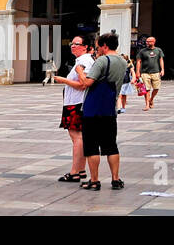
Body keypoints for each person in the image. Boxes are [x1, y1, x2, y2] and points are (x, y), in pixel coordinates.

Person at [71, 33, 128, 191]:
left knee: (92, 146)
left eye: (98, 47)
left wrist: (79, 71)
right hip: (110, 109)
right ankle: (115, 179)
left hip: (93, 109)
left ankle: (94, 180)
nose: (97, 50)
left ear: (105, 46)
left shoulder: (103, 60)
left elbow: (87, 82)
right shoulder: (123, 61)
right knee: (111, 146)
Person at [52, 35, 95, 183]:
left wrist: (62, 80)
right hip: (75, 102)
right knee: (77, 137)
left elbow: (83, 84)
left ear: (86, 47)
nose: (73, 46)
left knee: (77, 137)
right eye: (72, 43)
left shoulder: (84, 61)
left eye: (77, 44)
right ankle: (81, 170)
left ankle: (75, 172)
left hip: (76, 103)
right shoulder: (83, 60)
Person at [135, 36, 165, 111]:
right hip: (145, 73)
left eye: (149, 41)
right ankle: (147, 105)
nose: (147, 43)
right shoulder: (142, 51)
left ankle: (151, 99)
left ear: (153, 42)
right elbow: (138, 61)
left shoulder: (158, 50)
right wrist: (137, 72)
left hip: (156, 72)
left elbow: (161, 60)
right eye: (147, 41)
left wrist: (162, 69)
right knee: (147, 89)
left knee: (156, 88)